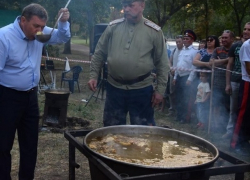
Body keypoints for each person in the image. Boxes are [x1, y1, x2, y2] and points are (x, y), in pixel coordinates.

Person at [0, 3, 70, 180]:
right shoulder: (4, 37)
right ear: (23, 20)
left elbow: (62, 36)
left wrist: (63, 22)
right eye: (36, 26)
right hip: (7, 98)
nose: (39, 31)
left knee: (30, 145)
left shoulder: (40, 34)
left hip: (31, 97)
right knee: (2, 146)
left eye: (42, 27)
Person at [88, 0, 169, 126]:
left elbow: (163, 63)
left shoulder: (154, 31)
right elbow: (99, 53)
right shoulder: (113, 27)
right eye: (124, 6)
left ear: (142, 5)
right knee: (111, 130)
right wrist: (93, 75)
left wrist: (160, 90)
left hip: (141, 90)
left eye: (131, 5)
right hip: (114, 88)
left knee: (142, 133)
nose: (126, 9)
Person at [223, 22, 250, 139]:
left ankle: (243, 134)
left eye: (248, 29)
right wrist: (228, 83)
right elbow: (229, 65)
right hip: (237, 80)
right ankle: (231, 132)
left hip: (245, 81)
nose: (245, 31)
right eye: (244, 29)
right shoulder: (238, 46)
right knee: (234, 109)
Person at [210, 30, 234, 129]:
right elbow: (211, 63)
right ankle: (216, 126)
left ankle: (227, 128)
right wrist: (227, 60)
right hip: (217, 82)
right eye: (222, 37)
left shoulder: (235, 49)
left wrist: (219, 61)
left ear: (232, 39)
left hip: (230, 83)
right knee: (216, 105)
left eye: (226, 38)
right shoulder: (217, 50)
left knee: (229, 107)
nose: (223, 39)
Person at [173, 30, 198, 123]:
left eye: (187, 39)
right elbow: (178, 64)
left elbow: (194, 67)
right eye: (184, 38)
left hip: (186, 77)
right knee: (178, 97)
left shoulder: (194, 51)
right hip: (179, 76)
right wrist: (175, 77)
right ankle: (179, 115)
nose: (184, 40)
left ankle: (185, 117)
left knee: (185, 98)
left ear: (192, 40)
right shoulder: (182, 50)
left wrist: (190, 79)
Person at [230, 36, 250, 154]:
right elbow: (249, 69)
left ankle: (245, 140)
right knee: (243, 113)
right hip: (248, 83)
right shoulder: (247, 45)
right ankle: (235, 143)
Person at [160, 35, 183, 115]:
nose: (178, 43)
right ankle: (171, 109)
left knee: (180, 94)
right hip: (172, 74)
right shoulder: (174, 50)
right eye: (177, 42)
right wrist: (171, 68)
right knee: (171, 93)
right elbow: (170, 61)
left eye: (179, 42)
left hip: (181, 75)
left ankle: (179, 110)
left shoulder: (184, 51)